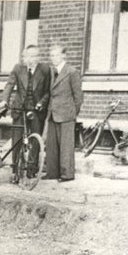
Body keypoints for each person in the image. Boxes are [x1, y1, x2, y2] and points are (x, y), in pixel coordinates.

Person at [0, 45, 50, 183]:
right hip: (19, 109)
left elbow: (48, 91)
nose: (32, 59)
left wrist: (41, 103)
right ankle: (15, 171)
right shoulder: (18, 68)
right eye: (29, 56)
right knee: (17, 140)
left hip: (36, 110)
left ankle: (31, 169)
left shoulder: (45, 70)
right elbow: (9, 85)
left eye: (35, 56)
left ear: (38, 57)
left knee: (35, 139)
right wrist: (4, 100)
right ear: (24, 57)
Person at [44, 45, 83, 182]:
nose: (52, 58)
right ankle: (52, 172)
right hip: (53, 113)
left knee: (66, 146)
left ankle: (67, 174)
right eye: (51, 55)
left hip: (66, 114)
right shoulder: (51, 72)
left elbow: (78, 96)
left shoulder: (71, 72)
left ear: (63, 56)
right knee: (52, 146)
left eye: (55, 55)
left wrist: (72, 112)